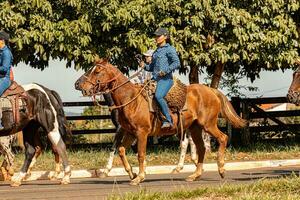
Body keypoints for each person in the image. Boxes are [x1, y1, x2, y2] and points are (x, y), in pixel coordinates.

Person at [139, 28, 181, 128]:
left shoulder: (169, 49)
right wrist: (144, 66)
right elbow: (151, 68)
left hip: (166, 80)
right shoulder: (156, 51)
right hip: (154, 79)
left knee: (158, 96)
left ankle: (168, 120)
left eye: (158, 36)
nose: (156, 38)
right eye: (156, 36)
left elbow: (177, 63)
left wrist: (165, 71)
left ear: (165, 37)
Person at [0, 31, 13, 130]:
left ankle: (0, 123)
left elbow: (4, 69)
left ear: (2, 41)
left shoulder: (6, 53)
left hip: (4, 79)